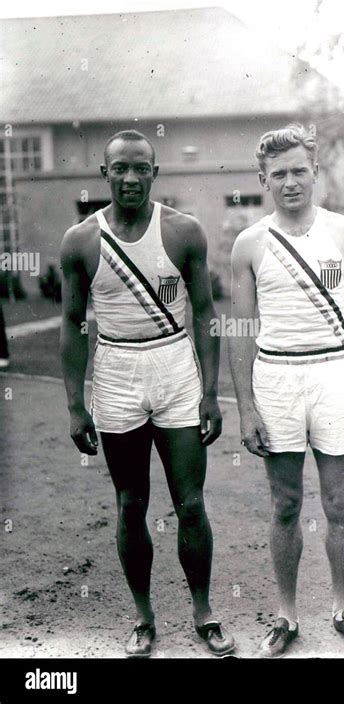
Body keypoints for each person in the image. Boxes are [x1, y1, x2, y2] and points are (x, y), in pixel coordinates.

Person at [60, 130, 234, 658]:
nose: (130, 177)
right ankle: (143, 617)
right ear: (104, 174)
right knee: (131, 503)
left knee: (190, 503)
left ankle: (204, 612)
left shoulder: (183, 231)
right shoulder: (80, 241)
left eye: (141, 168)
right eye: (120, 168)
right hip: (115, 371)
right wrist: (75, 404)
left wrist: (210, 393)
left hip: (174, 364)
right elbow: (71, 323)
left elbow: (205, 314)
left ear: (155, 174)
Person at [229, 124, 344, 658]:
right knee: (285, 502)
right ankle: (287, 615)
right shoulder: (249, 243)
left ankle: (342, 607)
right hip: (277, 380)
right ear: (263, 179)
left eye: (299, 171)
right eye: (279, 174)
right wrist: (246, 408)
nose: (290, 182)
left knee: (338, 501)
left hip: (336, 376)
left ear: (314, 172)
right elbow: (240, 330)